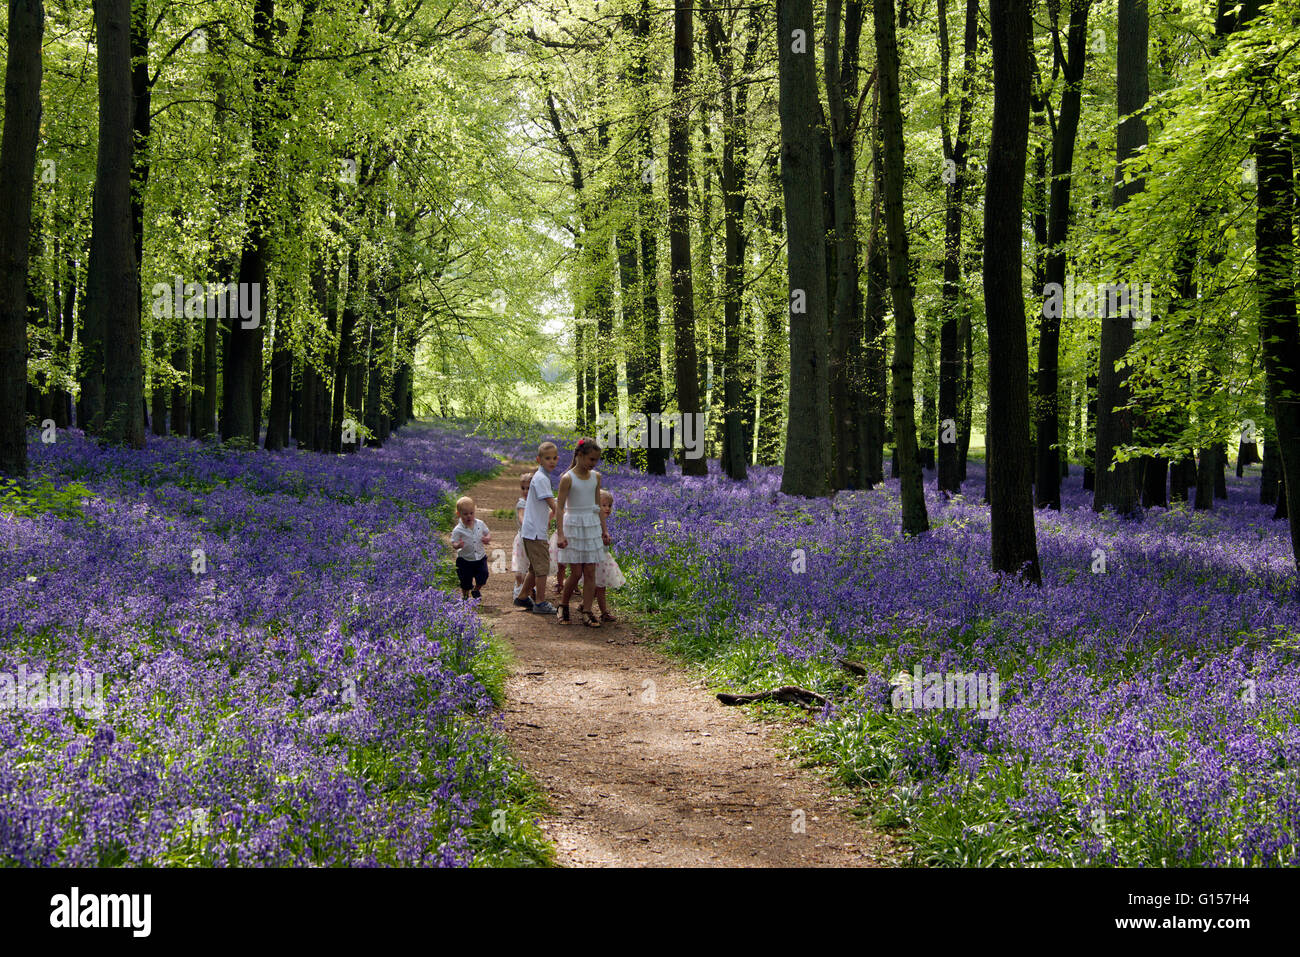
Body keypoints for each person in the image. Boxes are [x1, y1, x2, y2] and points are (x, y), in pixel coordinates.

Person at [555, 437, 610, 627]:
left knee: (590, 571)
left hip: (592, 525)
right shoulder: (568, 478)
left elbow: (597, 506)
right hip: (574, 526)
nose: (593, 464)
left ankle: (587, 610)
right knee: (576, 571)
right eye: (591, 459)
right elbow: (560, 507)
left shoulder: (596, 477)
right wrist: (560, 534)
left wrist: (604, 530)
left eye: (596, 460)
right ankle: (563, 605)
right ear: (579, 455)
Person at [518, 443, 560, 615]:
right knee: (542, 568)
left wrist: (549, 517)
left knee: (535, 568)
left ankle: (521, 597)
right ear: (539, 459)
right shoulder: (542, 479)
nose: (551, 461)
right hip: (535, 532)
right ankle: (540, 602)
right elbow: (553, 504)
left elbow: (544, 506)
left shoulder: (541, 477)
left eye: (554, 458)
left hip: (533, 529)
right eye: (547, 458)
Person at [592, 489, 626, 621]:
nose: (607, 508)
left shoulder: (602, 523)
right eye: (604, 505)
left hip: (603, 558)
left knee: (597, 585)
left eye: (610, 506)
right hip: (597, 559)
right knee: (601, 587)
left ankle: (585, 604)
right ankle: (604, 612)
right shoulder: (596, 522)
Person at [450, 496, 491, 600]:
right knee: (465, 580)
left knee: (483, 575)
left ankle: (476, 589)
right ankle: (465, 596)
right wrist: (458, 545)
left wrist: (487, 539)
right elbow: (453, 543)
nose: (469, 516)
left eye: (471, 513)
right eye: (465, 514)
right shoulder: (458, 530)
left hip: (480, 558)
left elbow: (488, 533)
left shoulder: (480, 524)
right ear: (458, 514)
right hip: (465, 560)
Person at [511, 470, 534, 602]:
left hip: (532, 539)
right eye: (523, 488)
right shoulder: (522, 503)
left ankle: (527, 590)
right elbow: (521, 517)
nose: (525, 491)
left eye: (528, 489)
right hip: (523, 539)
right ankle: (519, 591)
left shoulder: (535, 504)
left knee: (530, 566)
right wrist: (526, 522)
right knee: (520, 568)